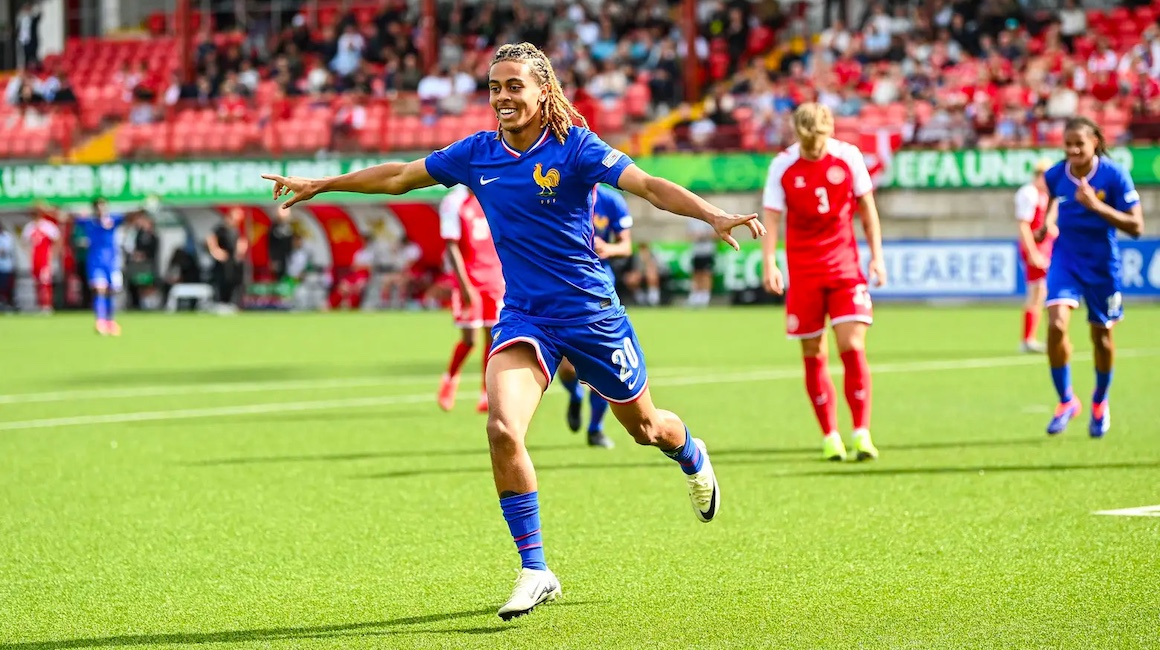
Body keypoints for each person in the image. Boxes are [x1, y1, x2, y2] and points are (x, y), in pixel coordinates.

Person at [262, 42, 762, 621]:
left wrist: (712, 214)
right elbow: (400, 176)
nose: (502, 97)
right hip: (526, 317)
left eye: (513, 86)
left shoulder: (575, 148)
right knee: (502, 428)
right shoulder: (477, 153)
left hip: (593, 317)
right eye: (495, 87)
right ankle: (535, 568)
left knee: (648, 428)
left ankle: (692, 453)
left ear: (542, 90)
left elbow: (647, 185)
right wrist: (323, 184)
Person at [760, 103, 886, 462]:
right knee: (813, 352)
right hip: (803, 272)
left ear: (830, 131)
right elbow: (772, 214)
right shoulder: (783, 164)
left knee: (852, 345)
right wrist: (770, 262)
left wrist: (877, 256)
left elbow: (867, 209)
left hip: (845, 267)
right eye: (808, 140)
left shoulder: (849, 158)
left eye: (820, 138)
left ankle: (861, 432)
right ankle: (830, 435)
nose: (815, 146)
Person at [1043, 116, 1144, 438]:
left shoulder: (1114, 176)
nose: (1072, 150)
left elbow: (1137, 227)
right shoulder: (1055, 175)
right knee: (1056, 325)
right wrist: (1047, 223)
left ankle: (1100, 401)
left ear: (1095, 143)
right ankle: (1066, 400)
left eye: (1079, 144)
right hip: (1066, 258)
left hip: (1102, 264)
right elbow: (1053, 201)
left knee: (1101, 337)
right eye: (1067, 144)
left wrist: (1096, 207)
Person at [557, 184, 635, 448]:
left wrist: (609, 249)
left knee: (602, 365)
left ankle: (595, 429)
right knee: (567, 368)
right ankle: (575, 396)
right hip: (564, 287)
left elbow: (627, 246)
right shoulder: (559, 192)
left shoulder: (612, 201)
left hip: (599, 288)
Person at [437, 184, 505, 414]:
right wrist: (465, 285)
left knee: (493, 336)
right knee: (470, 339)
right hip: (469, 279)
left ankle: (486, 393)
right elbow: (451, 246)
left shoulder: (492, 193)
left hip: (495, 278)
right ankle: (450, 377)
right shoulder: (453, 201)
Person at [67, 198, 137, 335]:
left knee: (111, 291)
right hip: (95, 262)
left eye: (103, 207)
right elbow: (67, 216)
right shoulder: (88, 222)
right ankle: (100, 321)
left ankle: (110, 322)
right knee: (99, 289)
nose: (101, 210)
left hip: (112, 263)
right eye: (98, 207)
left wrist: (143, 207)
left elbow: (129, 217)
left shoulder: (112, 220)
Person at [1015, 159, 1056, 353]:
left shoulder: (1044, 195)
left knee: (1043, 292)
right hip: (1036, 249)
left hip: (1045, 247)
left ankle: (1038, 337)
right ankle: (1028, 339)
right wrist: (1032, 252)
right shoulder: (1029, 193)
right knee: (1037, 291)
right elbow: (1024, 226)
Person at [21, 205, 61, 314]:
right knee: (37, 282)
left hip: (45, 259)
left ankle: (47, 305)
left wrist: (53, 254)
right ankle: (39, 304)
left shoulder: (48, 226)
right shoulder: (30, 227)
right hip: (35, 259)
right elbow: (24, 242)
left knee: (45, 282)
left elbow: (57, 240)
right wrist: (28, 253)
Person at [206, 207, 248, 308]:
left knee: (234, 282)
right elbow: (210, 239)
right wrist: (215, 251)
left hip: (233, 262)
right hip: (222, 263)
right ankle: (221, 304)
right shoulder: (220, 229)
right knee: (222, 282)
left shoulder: (236, 230)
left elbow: (242, 241)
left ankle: (232, 304)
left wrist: (241, 249)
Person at [0, 223, 15, 310]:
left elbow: (5, 250)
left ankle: (7, 304)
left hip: (6, 267)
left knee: (6, 287)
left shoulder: (7, 236)